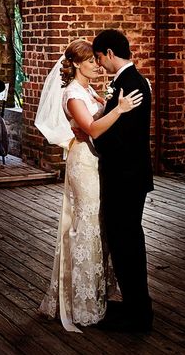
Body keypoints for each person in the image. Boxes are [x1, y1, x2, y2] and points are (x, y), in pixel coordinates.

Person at [35, 39, 143, 332]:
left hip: (97, 162)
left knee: (99, 225)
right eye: (92, 61)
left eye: (97, 60)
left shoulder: (89, 90)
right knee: (86, 225)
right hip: (83, 164)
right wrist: (118, 109)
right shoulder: (72, 94)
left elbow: (93, 124)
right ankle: (82, 301)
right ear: (78, 64)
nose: (97, 65)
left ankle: (99, 293)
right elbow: (93, 128)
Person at [92, 29, 154, 332]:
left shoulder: (128, 86)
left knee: (126, 242)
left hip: (125, 178)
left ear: (109, 53)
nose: (100, 65)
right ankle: (134, 306)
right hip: (130, 176)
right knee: (125, 241)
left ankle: (138, 315)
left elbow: (122, 138)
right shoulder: (133, 81)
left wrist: (97, 144)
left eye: (100, 59)